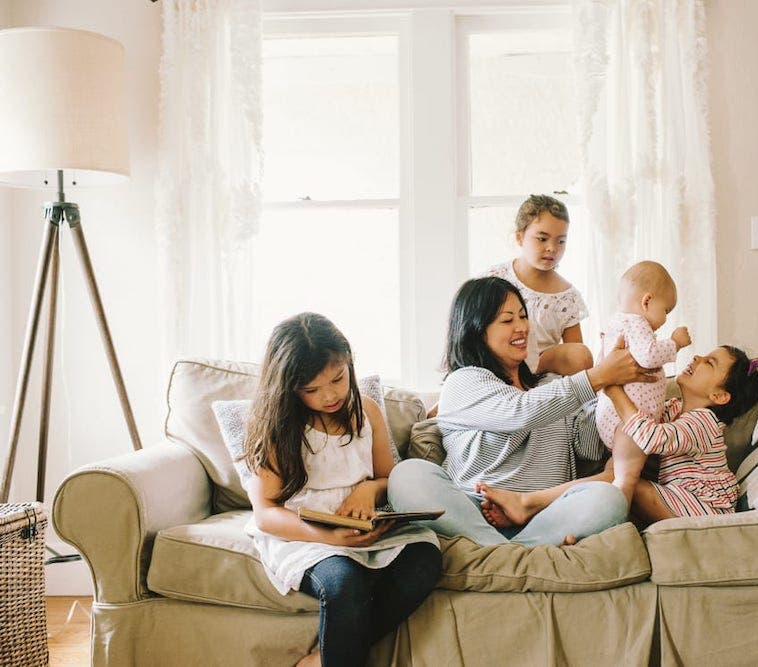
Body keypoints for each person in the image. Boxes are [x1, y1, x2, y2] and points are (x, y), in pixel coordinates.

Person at [387, 277, 658, 547]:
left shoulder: (553, 385)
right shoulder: (463, 382)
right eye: (507, 320)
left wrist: (614, 387)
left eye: (523, 316)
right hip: (471, 513)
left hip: (543, 517)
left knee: (608, 498)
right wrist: (596, 377)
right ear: (477, 330)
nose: (521, 327)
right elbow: (520, 412)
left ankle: (501, 553)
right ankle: (508, 551)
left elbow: (590, 446)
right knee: (407, 475)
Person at [242, 313, 442, 667]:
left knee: (425, 559)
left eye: (338, 378)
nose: (331, 395)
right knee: (345, 585)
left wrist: (368, 490)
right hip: (305, 535)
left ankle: (323, 658)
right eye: (312, 390)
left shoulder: (367, 411)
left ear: (349, 362)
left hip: (363, 524)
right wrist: (330, 539)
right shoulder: (279, 427)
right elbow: (266, 512)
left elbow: (387, 478)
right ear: (288, 388)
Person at [477, 344, 758, 529]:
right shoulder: (675, 408)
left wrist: (613, 390)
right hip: (677, 500)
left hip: (703, 511)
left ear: (719, 396)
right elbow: (639, 420)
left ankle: (530, 505)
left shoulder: (704, 422)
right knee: (618, 475)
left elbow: (649, 436)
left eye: (710, 363)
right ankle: (551, 519)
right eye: (704, 355)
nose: (698, 358)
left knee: (628, 485)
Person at [484, 194, 593, 376]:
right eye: (542, 239)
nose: (552, 248)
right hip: (498, 361)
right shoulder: (496, 278)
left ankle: (528, 377)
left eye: (561, 241)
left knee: (580, 354)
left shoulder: (567, 296)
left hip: (541, 370)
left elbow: (575, 354)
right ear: (520, 238)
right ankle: (431, 405)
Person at [595, 260, 691, 451]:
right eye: (666, 311)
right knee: (628, 475)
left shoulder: (618, 324)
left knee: (619, 468)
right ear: (646, 301)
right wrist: (676, 343)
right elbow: (649, 356)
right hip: (626, 423)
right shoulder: (635, 322)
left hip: (618, 420)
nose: (665, 319)